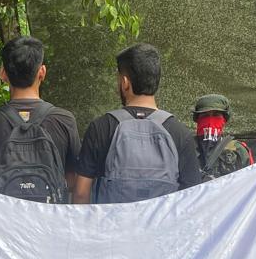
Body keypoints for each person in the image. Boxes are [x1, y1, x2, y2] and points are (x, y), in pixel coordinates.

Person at [74, 43, 200, 203]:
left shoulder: (101, 127)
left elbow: (80, 193)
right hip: (160, 227)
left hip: (111, 227)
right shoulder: (180, 133)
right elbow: (192, 199)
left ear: (125, 82)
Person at [0, 35, 80, 203]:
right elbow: (73, 179)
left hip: (6, 223)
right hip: (51, 222)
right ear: (42, 72)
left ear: (3, 73)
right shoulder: (64, 120)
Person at [191, 93, 253, 181]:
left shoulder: (238, 150)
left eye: (216, 115)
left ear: (224, 119)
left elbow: (250, 181)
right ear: (197, 119)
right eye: (205, 115)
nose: (210, 120)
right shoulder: (185, 147)